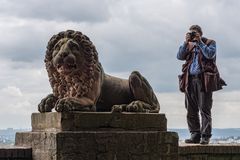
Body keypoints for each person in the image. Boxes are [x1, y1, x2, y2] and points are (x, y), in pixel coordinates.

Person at [177, 25, 226, 144]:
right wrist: (185, 42)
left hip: (204, 80)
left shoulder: (210, 42)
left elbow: (210, 55)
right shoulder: (188, 45)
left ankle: (205, 135)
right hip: (189, 79)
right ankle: (195, 134)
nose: (193, 35)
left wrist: (200, 43)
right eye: (191, 33)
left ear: (200, 33)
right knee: (190, 109)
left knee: (204, 108)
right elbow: (179, 56)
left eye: (195, 33)